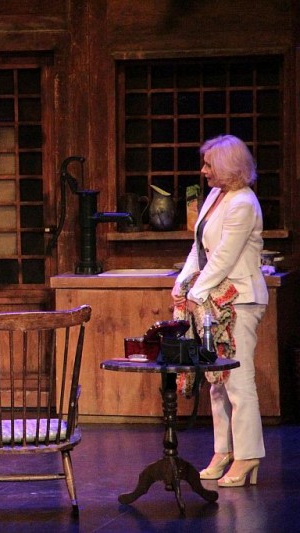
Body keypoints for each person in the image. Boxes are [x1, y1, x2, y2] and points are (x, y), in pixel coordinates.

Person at [171, 135, 269, 488]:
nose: (203, 170)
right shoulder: (215, 196)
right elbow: (199, 248)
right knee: (217, 382)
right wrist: (182, 285)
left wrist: (196, 292)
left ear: (228, 166)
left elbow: (225, 257)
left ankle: (248, 455)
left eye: (209, 164)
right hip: (212, 300)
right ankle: (223, 451)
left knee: (238, 382)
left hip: (239, 300)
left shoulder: (243, 202)